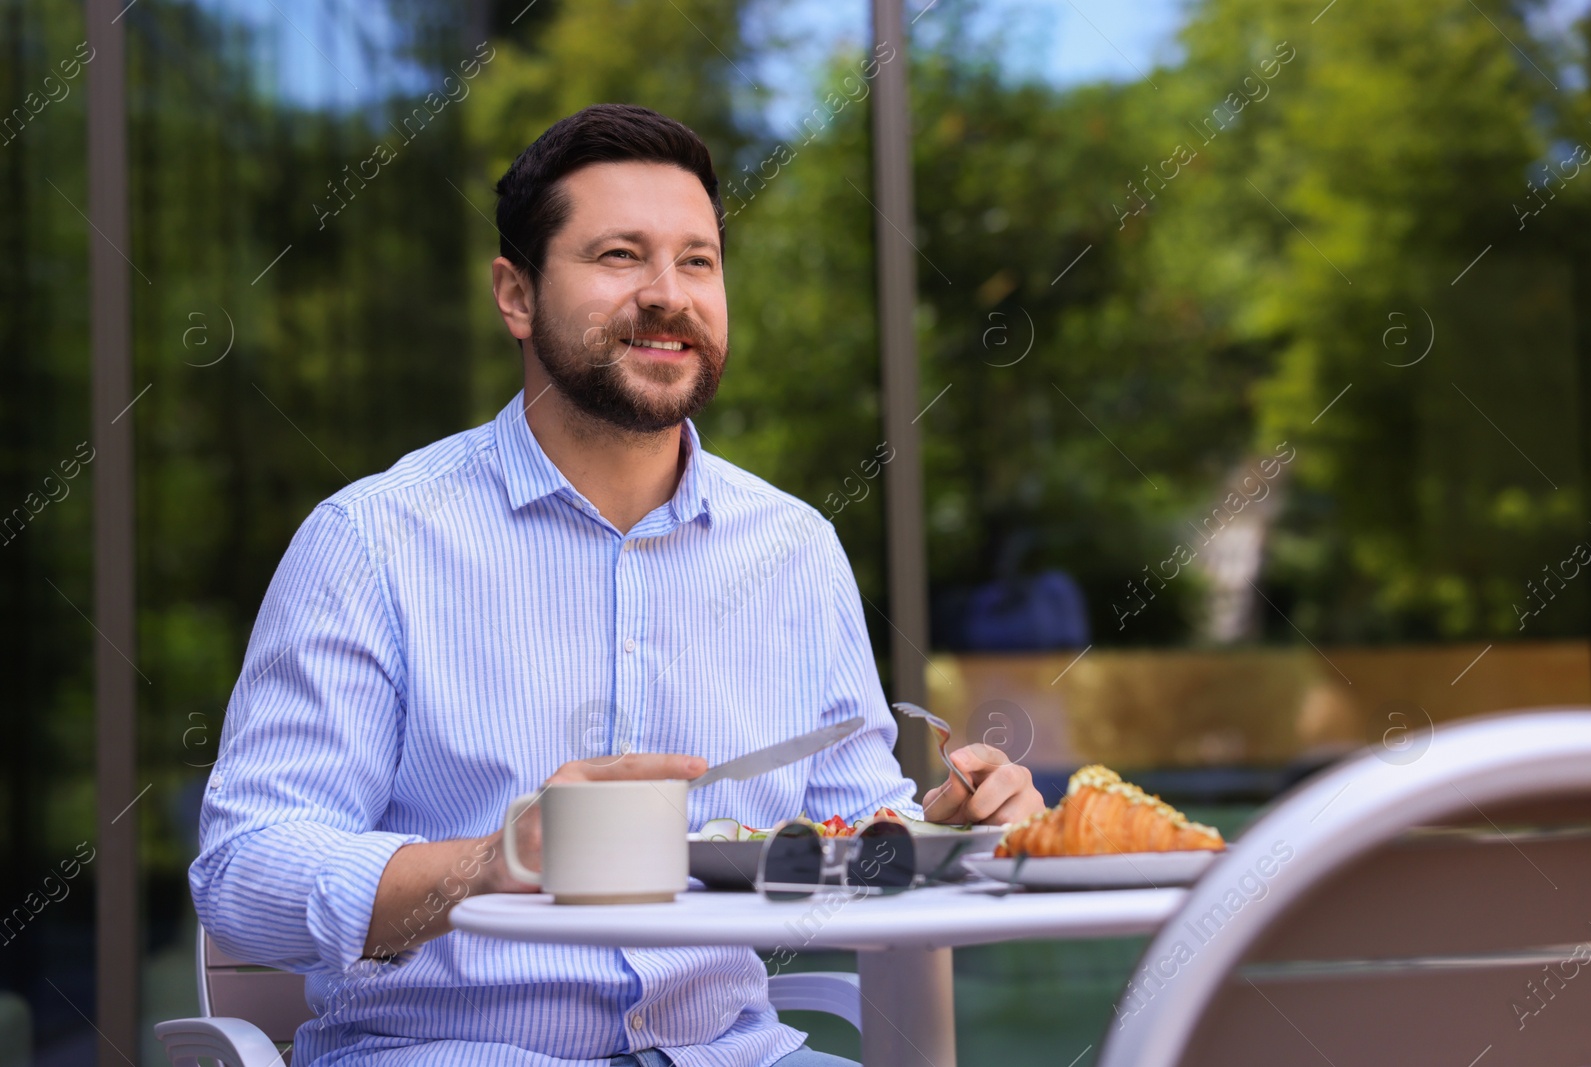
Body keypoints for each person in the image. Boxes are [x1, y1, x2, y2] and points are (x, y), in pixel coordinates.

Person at [191, 103, 1044, 1067]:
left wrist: (949, 829)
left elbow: (853, 841)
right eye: (618, 256)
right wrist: (490, 864)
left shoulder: (794, 549)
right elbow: (242, 870)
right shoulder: (372, 541)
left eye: (697, 261)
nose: (667, 294)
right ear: (516, 296)